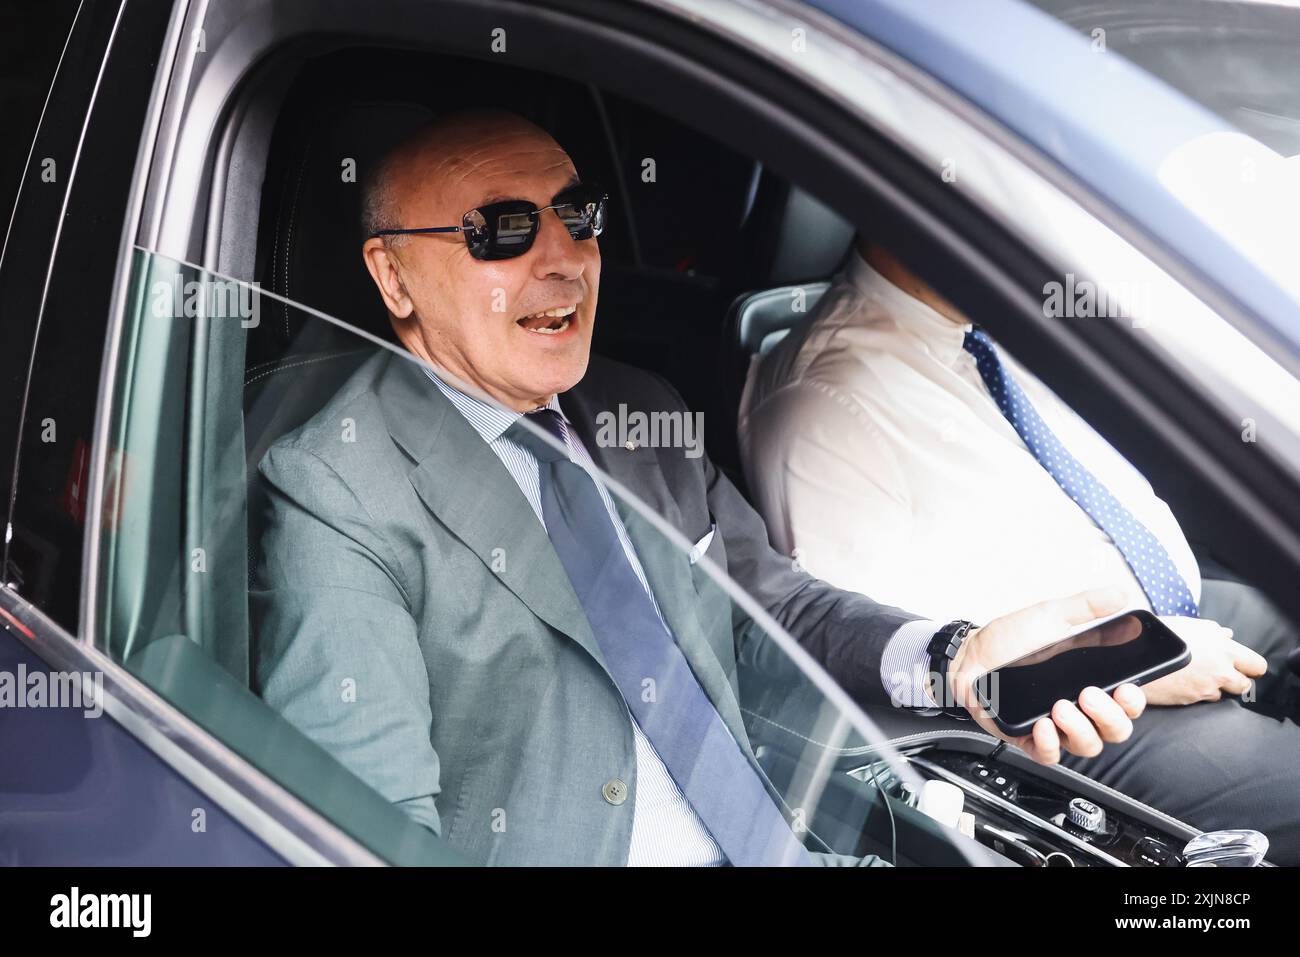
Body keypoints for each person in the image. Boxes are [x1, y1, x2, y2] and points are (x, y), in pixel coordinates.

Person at [251, 112, 1144, 867]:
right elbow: (364, 834)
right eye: (503, 232)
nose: (564, 259)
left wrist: (960, 658)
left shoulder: (641, 411)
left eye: (577, 214)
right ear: (392, 274)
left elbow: (772, 612)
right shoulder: (337, 488)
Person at [740, 237, 1300, 863]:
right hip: (1091, 713)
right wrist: (1136, 658)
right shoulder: (820, 413)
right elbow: (916, 686)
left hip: (1174, 611)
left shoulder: (983, 331)